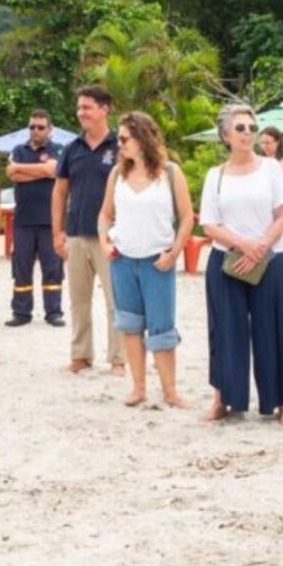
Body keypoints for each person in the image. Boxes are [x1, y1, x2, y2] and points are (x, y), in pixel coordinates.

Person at [200, 104, 283, 423]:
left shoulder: (271, 169)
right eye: (240, 128)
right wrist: (244, 245)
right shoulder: (215, 175)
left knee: (276, 329)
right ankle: (222, 398)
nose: (248, 133)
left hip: (271, 258)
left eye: (252, 127)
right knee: (225, 330)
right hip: (227, 259)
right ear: (225, 135)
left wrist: (260, 246)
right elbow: (209, 224)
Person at [98, 111, 193, 408]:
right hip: (122, 260)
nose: (119, 143)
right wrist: (104, 241)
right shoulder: (117, 174)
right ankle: (138, 388)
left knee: (162, 329)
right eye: (119, 138)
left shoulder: (170, 172)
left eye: (124, 138)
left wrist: (174, 253)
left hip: (157, 261)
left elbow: (187, 217)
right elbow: (105, 214)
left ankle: (170, 391)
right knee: (129, 325)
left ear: (142, 138)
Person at [53, 85, 125, 375]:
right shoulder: (72, 148)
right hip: (76, 234)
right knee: (79, 301)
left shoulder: (121, 146)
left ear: (105, 109)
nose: (81, 112)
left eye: (87, 107)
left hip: (112, 236)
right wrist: (57, 233)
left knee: (115, 300)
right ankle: (81, 355)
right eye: (79, 107)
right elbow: (60, 192)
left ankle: (118, 359)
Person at [4, 109, 65, 328]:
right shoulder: (18, 150)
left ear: (50, 129)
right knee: (21, 267)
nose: (36, 131)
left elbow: (55, 170)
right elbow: (12, 174)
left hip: (51, 220)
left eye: (40, 127)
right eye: (32, 127)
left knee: (52, 267)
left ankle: (53, 312)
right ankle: (21, 313)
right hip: (23, 219)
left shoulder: (59, 149)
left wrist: (23, 170)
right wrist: (42, 171)